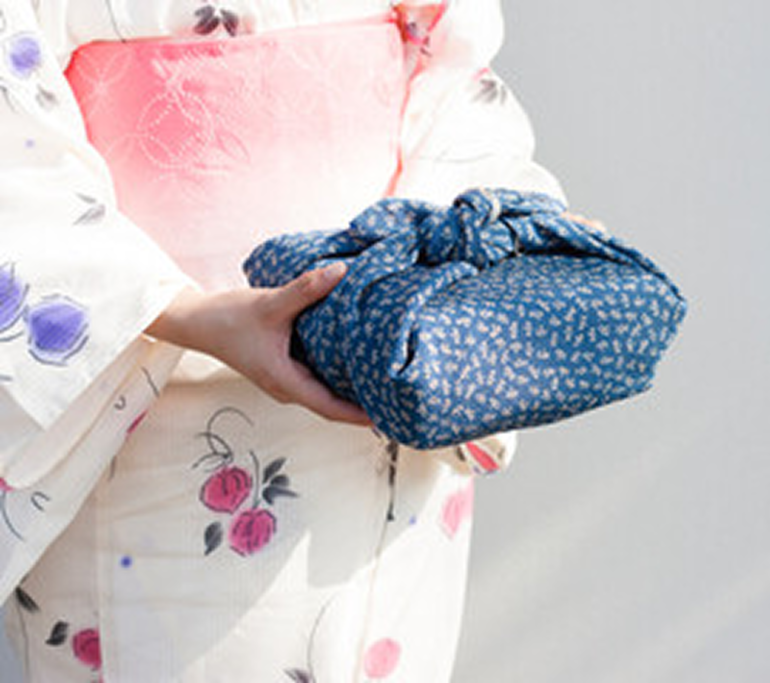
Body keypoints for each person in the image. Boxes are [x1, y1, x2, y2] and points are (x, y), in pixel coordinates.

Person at [0, 0, 563, 680]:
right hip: (140, 383)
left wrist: (430, 272)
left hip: (381, 372)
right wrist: (185, 312)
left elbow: (456, 69)